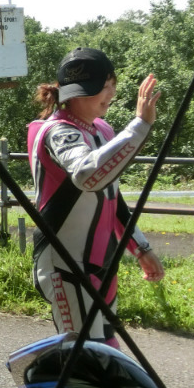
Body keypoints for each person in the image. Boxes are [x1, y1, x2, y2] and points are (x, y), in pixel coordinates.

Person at [27, 47, 164, 349]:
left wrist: (140, 248)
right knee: (86, 351)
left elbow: (111, 198)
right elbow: (88, 175)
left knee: (107, 346)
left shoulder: (102, 129)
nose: (109, 94)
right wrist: (139, 126)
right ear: (74, 93)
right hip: (65, 262)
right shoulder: (58, 132)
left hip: (103, 260)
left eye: (110, 85)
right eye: (101, 87)